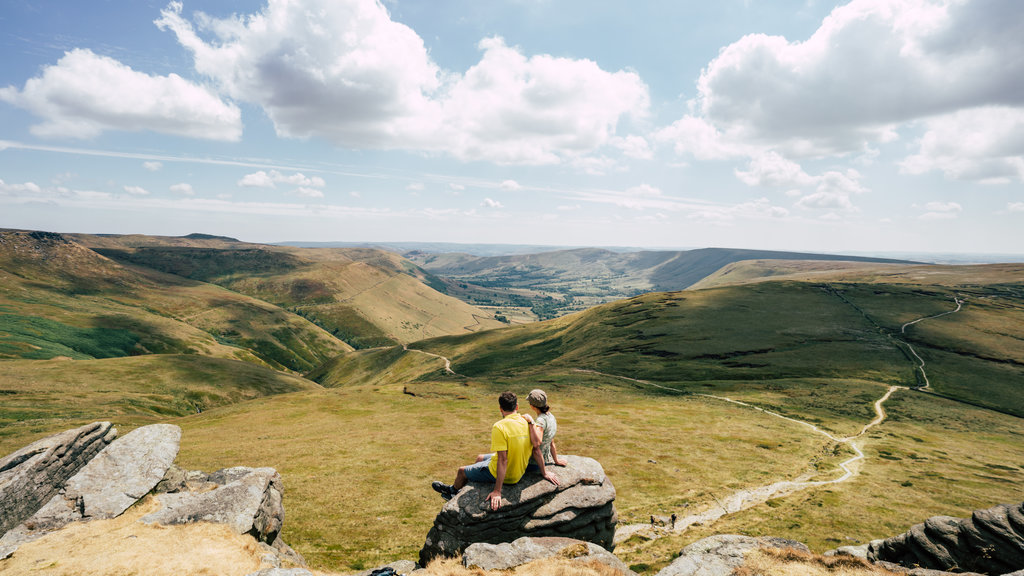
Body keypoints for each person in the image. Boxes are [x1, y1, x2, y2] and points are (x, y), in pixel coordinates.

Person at [432, 391, 558, 510]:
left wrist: (497, 490)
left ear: (500, 409)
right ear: (517, 406)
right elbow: (536, 448)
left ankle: (452, 492)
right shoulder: (527, 422)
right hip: (519, 470)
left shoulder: (499, 427)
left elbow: (502, 460)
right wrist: (545, 471)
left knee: (461, 471)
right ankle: (466, 486)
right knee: (480, 458)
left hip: (508, 476)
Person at [521, 389, 568, 467]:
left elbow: (536, 445)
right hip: (546, 459)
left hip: (534, 463)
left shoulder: (540, 421)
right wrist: (556, 460)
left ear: (532, 406)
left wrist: (531, 423)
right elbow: (551, 441)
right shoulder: (551, 416)